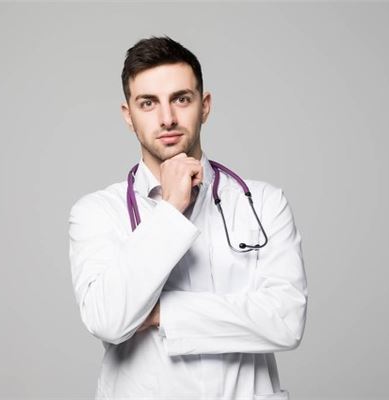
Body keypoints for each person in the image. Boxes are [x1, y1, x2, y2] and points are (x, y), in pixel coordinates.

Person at [68, 35, 308, 400]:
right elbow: (107, 320)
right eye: (148, 103)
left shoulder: (263, 202)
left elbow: (286, 321)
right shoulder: (97, 212)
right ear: (128, 115)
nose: (167, 119)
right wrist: (170, 210)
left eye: (181, 99)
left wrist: (159, 312)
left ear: (204, 106)